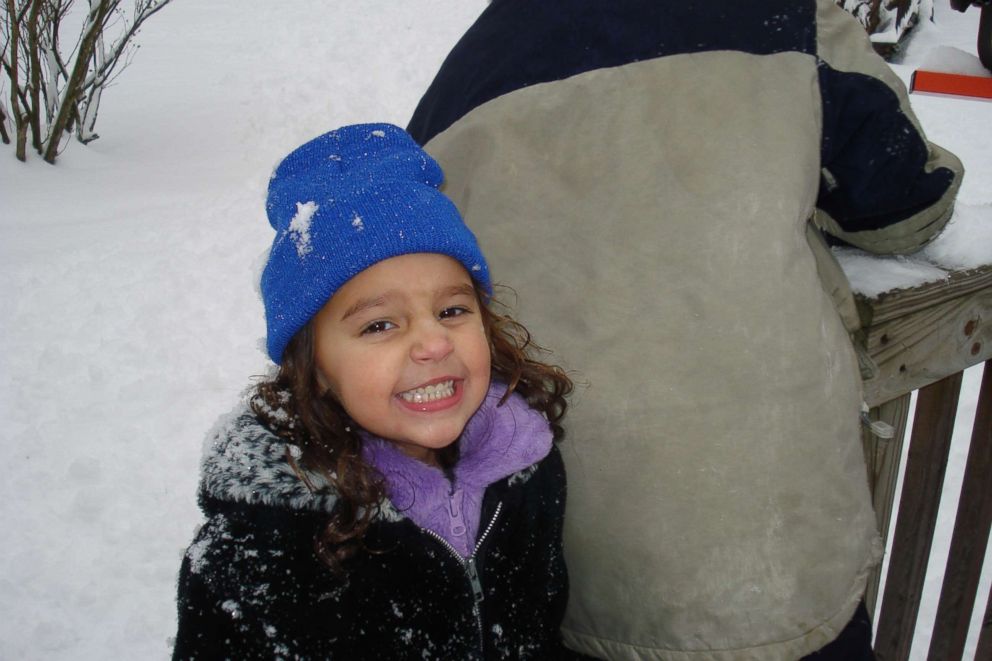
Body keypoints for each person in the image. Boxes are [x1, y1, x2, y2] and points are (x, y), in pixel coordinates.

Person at [406, 1, 963, 659]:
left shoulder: (461, 81)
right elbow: (907, 205)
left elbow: (412, 285)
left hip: (569, 576)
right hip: (781, 555)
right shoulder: (788, 22)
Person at [171, 123, 587, 659]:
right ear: (313, 367)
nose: (434, 342)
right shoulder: (262, 548)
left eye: (452, 310)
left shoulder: (526, 468)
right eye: (380, 325)